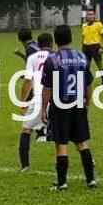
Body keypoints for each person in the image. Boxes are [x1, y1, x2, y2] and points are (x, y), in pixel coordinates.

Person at [41, 25, 96, 191]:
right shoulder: (81, 57)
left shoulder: (52, 60)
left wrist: (44, 109)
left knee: (61, 143)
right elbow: (88, 83)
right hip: (78, 104)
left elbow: (47, 89)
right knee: (81, 142)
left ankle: (62, 183)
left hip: (60, 105)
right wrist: (87, 100)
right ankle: (91, 179)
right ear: (71, 38)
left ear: (55, 40)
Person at [18, 32, 53, 171]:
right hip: (57, 99)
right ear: (52, 43)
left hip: (38, 97)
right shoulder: (57, 56)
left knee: (26, 130)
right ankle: (89, 159)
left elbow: (27, 81)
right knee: (70, 131)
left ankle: (25, 165)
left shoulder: (32, 58)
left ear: (38, 45)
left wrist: (23, 102)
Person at [81, 10, 103, 82]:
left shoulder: (98, 24)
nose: (90, 16)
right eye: (89, 15)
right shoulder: (84, 25)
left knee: (99, 64)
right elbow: (83, 37)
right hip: (86, 47)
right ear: (86, 16)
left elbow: (102, 37)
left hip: (95, 47)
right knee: (86, 65)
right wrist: (82, 47)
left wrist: (101, 47)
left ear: (94, 16)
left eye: (92, 14)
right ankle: (86, 81)